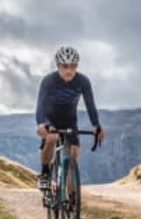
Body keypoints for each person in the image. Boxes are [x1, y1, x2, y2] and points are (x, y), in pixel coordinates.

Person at [35, 45, 103, 190]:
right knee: (52, 138)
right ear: (58, 66)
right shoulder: (48, 81)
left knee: (73, 154)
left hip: (69, 119)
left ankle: (70, 198)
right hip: (50, 118)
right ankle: (45, 173)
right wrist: (41, 123)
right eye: (65, 66)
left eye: (73, 66)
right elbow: (40, 105)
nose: (69, 70)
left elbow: (90, 104)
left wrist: (96, 125)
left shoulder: (83, 81)